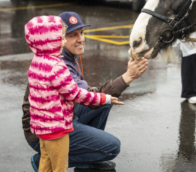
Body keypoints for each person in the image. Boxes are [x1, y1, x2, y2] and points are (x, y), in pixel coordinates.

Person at [23, 12, 148, 171]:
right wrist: (127, 78)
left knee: (104, 101)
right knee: (112, 147)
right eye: (72, 35)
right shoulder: (58, 64)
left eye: (81, 33)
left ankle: (84, 158)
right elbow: (80, 95)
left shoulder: (48, 57)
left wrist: (105, 99)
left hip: (46, 122)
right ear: (55, 37)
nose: (81, 39)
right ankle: (45, 158)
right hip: (51, 129)